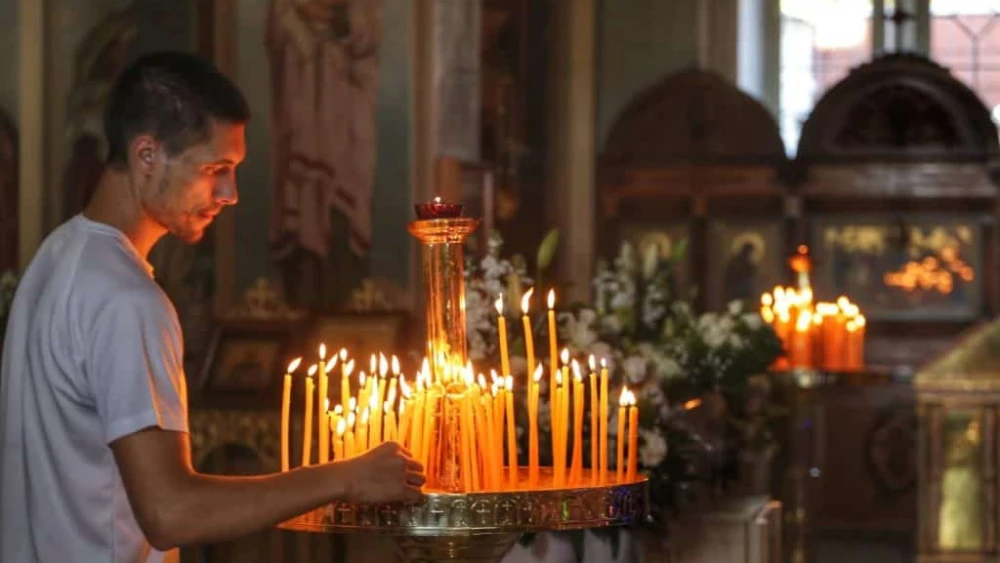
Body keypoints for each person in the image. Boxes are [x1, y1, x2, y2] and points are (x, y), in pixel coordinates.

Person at [0, 51, 424, 563]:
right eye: (215, 169)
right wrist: (344, 475)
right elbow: (170, 512)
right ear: (147, 155)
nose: (230, 194)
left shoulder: (56, 256)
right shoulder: (126, 299)